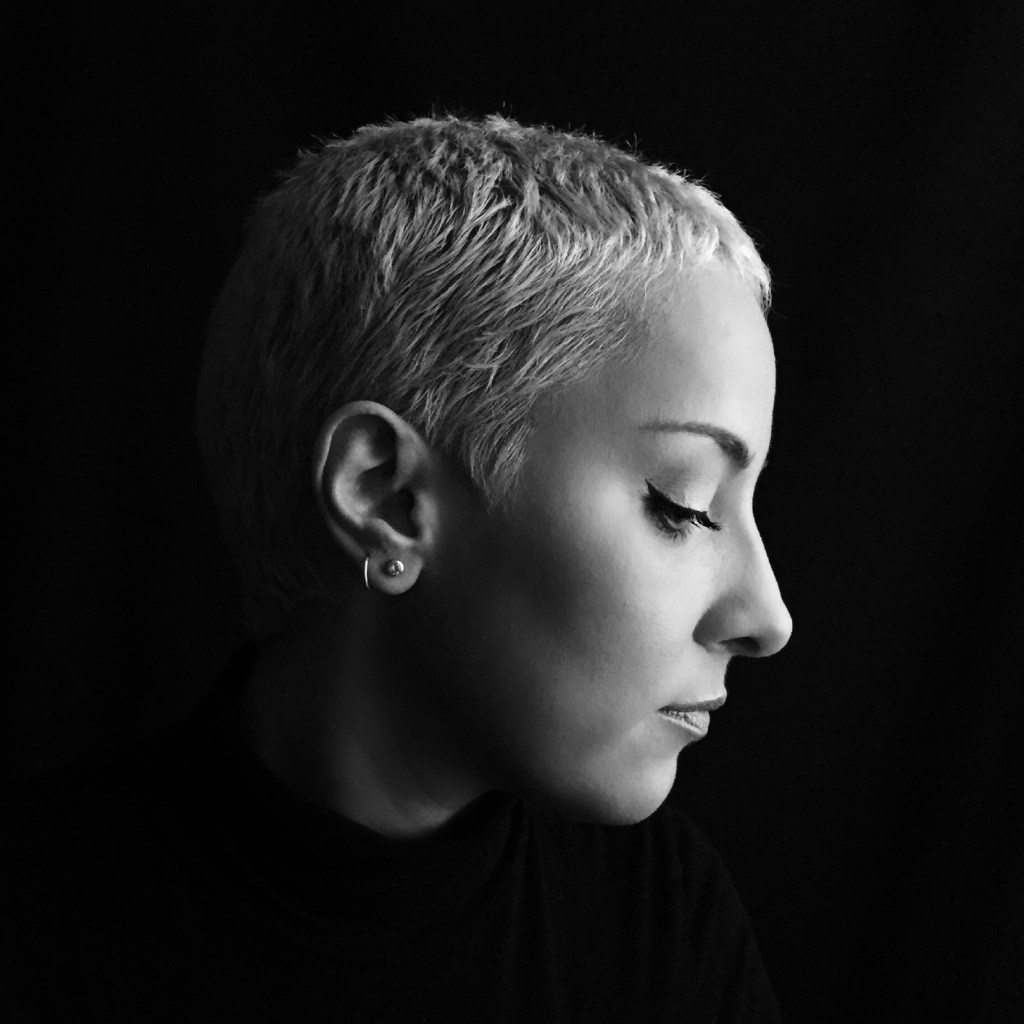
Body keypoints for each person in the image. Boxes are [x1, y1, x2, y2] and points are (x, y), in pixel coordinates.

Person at [3, 114, 793, 1022]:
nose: (767, 616)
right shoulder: (35, 934)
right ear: (383, 496)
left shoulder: (660, 919)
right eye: (683, 504)